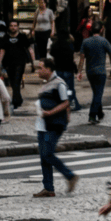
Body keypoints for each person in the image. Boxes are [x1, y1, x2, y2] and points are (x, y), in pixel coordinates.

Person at [33, 58, 77, 198]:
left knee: (47, 153)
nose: (38, 71)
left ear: (49, 69)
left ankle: (70, 176)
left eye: (41, 68)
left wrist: (50, 113)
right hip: (43, 125)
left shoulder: (59, 84)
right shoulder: (47, 84)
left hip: (53, 124)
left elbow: (66, 103)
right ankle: (48, 188)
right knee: (43, 156)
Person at [78, 24, 111, 125]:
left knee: (96, 92)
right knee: (98, 93)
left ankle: (100, 113)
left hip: (90, 71)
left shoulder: (85, 41)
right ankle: (92, 115)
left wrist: (79, 72)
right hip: (101, 71)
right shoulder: (104, 41)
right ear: (101, 30)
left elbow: (82, 58)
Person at [0, 20, 35, 108]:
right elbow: (2, 50)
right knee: (12, 81)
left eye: (15, 26)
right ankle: (18, 99)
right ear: (9, 27)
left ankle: (16, 101)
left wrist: (33, 62)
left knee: (17, 80)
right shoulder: (5, 37)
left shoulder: (22, 36)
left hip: (20, 62)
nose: (13, 27)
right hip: (8, 63)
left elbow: (30, 49)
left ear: (18, 27)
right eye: (11, 26)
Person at [49, 31, 82, 112]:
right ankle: (72, 103)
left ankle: (61, 104)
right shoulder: (70, 45)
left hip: (58, 69)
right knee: (70, 88)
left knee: (59, 87)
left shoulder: (55, 45)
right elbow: (72, 60)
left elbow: (51, 53)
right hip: (68, 69)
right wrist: (76, 70)